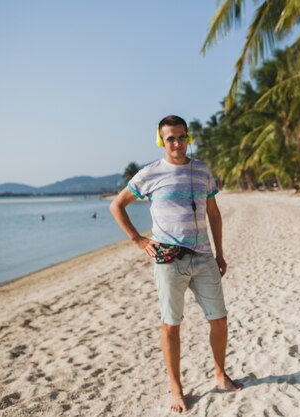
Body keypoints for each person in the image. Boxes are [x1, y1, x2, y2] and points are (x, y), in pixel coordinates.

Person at [110, 115, 241, 413]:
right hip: (168, 261)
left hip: (204, 257)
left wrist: (220, 253)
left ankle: (220, 375)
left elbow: (214, 214)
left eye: (182, 137)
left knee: (219, 319)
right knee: (171, 326)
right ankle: (176, 389)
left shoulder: (203, 171)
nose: (177, 143)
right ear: (161, 141)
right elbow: (117, 205)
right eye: (171, 138)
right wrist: (139, 240)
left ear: (188, 138)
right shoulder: (149, 174)